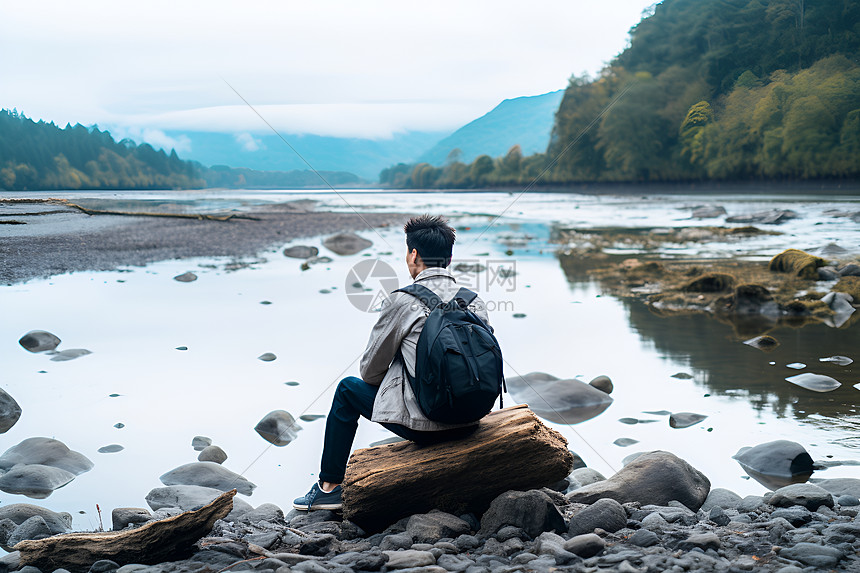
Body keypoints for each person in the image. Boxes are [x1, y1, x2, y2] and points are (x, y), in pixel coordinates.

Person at [293, 214, 491, 511]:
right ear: (449, 259)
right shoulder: (473, 300)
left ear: (413, 255)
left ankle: (329, 488)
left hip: (427, 424)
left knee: (348, 390)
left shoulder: (403, 300)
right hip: (472, 417)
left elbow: (369, 373)